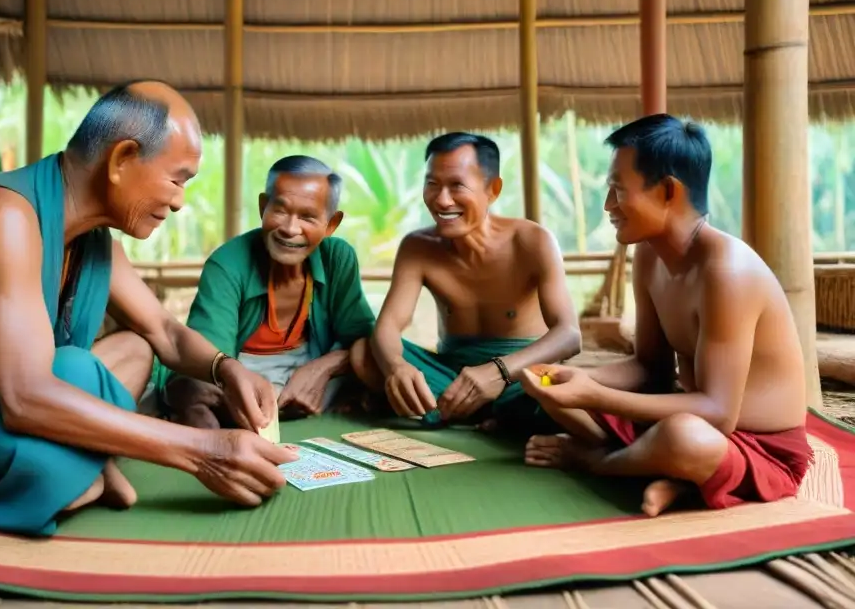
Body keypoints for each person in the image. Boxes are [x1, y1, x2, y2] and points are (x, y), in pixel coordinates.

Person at [0, 80, 297, 538]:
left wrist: (225, 368)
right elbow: (24, 399)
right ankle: (78, 473)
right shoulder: (3, 218)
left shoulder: (95, 243)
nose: (179, 202)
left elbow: (164, 332)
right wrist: (201, 450)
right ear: (121, 159)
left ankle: (79, 474)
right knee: (73, 371)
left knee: (135, 350)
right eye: (177, 179)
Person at [520, 114, 812, 517]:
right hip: (683, 409)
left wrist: (595, 394)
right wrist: (568, 378)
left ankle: (603, 462)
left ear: (668, 191)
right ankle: (669, 474)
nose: (609, 206)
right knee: (544, 381)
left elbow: (719, 414)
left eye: (618, 191)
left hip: (753, 444)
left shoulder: (727, 270)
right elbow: (650, 368)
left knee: (683, 438)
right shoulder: (648, 256)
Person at [352, 132, 581, 428]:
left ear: (492, 189)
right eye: (432, 184)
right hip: (451, 374)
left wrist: (497, 372)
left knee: (555, 387)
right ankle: (484, 414)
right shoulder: (417, 247)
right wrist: (397, 367)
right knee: (364, 353)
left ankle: (477, 413)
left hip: (521, 374)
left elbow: (569, 335)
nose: (442, 200)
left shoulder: (531, 241)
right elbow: (388, 327)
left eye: (456, 185)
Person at [157, 155, 376, 427]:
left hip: (309, 374)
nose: (290, 229)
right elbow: (211, 359)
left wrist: (321, 368)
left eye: (308, 217)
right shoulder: (228, 263)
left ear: (331, 224)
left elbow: (364, 337)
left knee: (384, 358)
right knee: (192, 389)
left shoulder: (338, 258)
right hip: (240, 373)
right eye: (280, 210)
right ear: (263, 207)